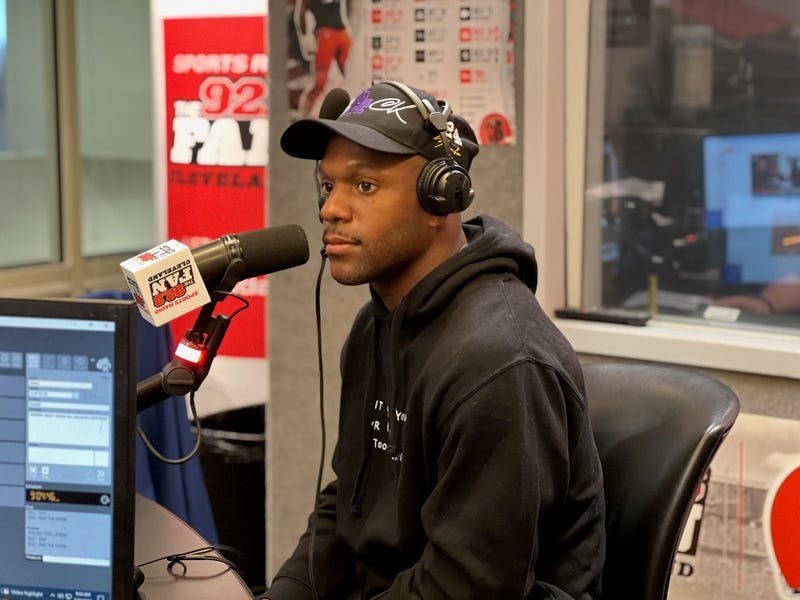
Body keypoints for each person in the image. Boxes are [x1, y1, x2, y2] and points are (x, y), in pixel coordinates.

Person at [262, 81, 606, 599]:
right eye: (328, 184)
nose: (331, 208)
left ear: (440, 199)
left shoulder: (499, 360)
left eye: (365, 186)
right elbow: (348, 506)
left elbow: (470, 584)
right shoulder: (373, 328)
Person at [294, 0, 352, 118]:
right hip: (325, 32)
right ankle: (304, 115)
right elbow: (301, 12)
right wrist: (305, 39)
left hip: (341, 30)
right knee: (320, 81)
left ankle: (355, 112)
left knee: (351, 74)